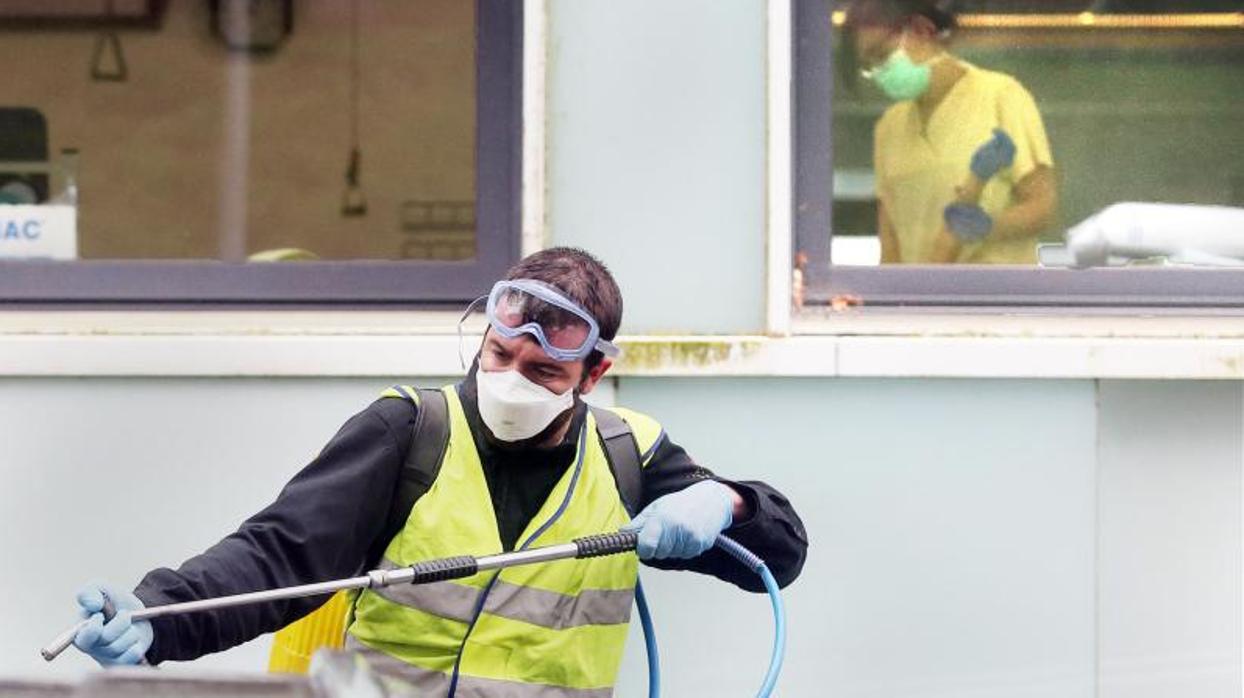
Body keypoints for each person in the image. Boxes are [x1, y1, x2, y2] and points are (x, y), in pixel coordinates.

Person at [68, 247, 808, 696]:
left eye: (544, 369)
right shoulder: (409, 432)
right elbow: (279, 554)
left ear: (593, 373)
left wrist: (730, 504)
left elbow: (780, 555)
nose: (511, 379)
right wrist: (155, 615)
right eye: (498, 355)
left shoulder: (629, 457)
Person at [843, 0, 1059, 264]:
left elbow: (1041, 208)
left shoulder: (1000, 97)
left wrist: (986, 228)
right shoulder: (889, 129)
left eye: (882, 55)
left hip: (995, 296)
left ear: (922, 30)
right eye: (869, 66)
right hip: (921, 298)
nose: (879, 73)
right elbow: (891, 247)